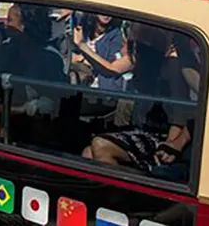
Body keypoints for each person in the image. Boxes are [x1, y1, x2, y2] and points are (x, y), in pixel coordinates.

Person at [81, 23, 192, 172]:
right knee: (88, 153)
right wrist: (81, 46)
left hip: (159, 136)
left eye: (137, 43)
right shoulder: (138, 61)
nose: (130, 46)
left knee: (100, 144)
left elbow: (180, 113)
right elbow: (111, 69)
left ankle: (116, 191)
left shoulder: (171, 66)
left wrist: (170, 146)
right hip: (139, 130)